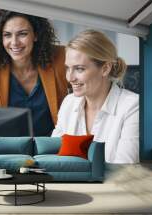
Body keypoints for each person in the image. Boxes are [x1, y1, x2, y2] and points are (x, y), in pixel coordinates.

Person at [0, 10, 68, 136]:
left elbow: (85, 92)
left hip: (51, 145)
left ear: (36, 35)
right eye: (7, 35)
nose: (14, 42)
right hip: (7, 146)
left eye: (22, 34)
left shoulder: (60, 57)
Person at [51, 30, 139, 163]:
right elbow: (52, 154)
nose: (70, 78)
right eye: (68, 68)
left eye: (79, 69)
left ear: (105, 69)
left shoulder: (132, 106)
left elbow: (125, 169)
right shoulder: (69, 102)